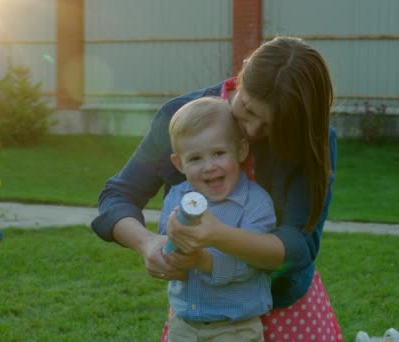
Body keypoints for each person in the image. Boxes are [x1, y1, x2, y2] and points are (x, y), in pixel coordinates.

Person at [91, 36, 342, 341]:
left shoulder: (311, 139)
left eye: (270, 127)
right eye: (247, 109)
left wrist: (216, 235)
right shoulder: (182, 120)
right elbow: (117, 196)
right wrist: (147, 243)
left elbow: (298, 247)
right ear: (244, 70)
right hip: (202, 317)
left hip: (286, 310)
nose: (251, 131)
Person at [160, 96, 276, 341]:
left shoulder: (255, 204)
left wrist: (202, 260)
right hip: (184, 324)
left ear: (241, 150)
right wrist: (170, 258)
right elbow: (166, 245)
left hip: (236, 327)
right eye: (195, 158)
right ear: (179, 163)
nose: (209, 167)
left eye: (218, 153)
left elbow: (253, 262)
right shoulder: (176, 198)